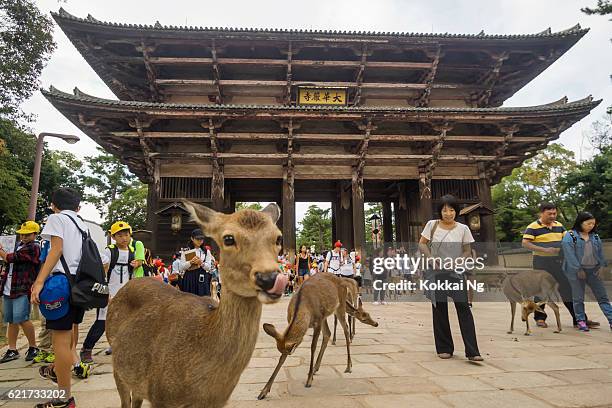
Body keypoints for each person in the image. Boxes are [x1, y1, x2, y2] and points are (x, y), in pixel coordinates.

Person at [31, 188, 91, 408]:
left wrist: (38, 282)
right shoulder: (83, 225)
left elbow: (56, 250)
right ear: (78, 206)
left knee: (61, 342)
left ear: (54, 205)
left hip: (61, 283)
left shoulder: (57, 218)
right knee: (69, 338)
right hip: (79, 285)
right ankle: (59, 370)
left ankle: (64, 398)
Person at [419, 194, 482, 361]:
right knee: (440, 310)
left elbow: (467, 250)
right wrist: (431, 258)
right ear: (439, 211)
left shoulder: (463, 229)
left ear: (456, 211)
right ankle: (444, 348)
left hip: (456, 272)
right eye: (445, 210)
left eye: (452, 210)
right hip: (436, 272)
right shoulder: (432, 225)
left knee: (464, 308)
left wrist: (460, 260)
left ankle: (473, 351)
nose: (448, 213)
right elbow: (422, 243)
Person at [522, 202, 597, 329]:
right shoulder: (533, 227)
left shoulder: (559, 225)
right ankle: (540, 318)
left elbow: (566, 240)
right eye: (549, 213)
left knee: (567, 289)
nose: (552, 216)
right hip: (542, 262)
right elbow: (525, 243)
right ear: (542, 213)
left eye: (554, 213)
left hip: (559, 263)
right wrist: (544, 250)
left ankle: (579, 319)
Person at [80, 221, 144, 363]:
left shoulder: (132, 252)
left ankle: (120, 347)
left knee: (125, 322)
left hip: (125, 293)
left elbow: (132, 274)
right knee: (102, 322)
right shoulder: (109, 251)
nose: (124, 238)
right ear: (113, 237)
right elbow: (101, 271)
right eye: (119, 235)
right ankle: (87, 348)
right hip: (109, 292)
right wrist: (104, 291)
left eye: (126, 235)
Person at [562, 212, 611, 332]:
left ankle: (611, 320)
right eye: (588, 223)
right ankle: (581, 321)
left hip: (593, 270)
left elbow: (600, 253)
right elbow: (569, 255)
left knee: (603, 297)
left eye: (593, 224)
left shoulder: (595, 236)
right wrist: (578, 269)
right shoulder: (570, 236)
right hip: (576, 271)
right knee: (578, 297)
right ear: (580, 222)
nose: (591, 226)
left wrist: (602, 266)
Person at [0, 221, 41, 363]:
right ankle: (12, 349)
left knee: (22, 319)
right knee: (11, 320)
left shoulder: (33, 247)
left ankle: (33, 347)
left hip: (22, 287)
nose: (23, 237)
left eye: (27, 234)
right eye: (22, 234)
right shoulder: (17, 246)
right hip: (9, 287)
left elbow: (10, 258)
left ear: (35, 234)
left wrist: (1, 251)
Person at [177, 229, 215, 296]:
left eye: (202, 239)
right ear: (192, 238)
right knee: (189, 299)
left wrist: (201, 263)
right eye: (197, 239)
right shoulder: (186, 251)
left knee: (203, 300)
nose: (200, 241)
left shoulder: (206, 251)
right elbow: (181, 267)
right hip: (189, 278)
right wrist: (190, 262)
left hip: (202, 278)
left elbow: (209, 268)